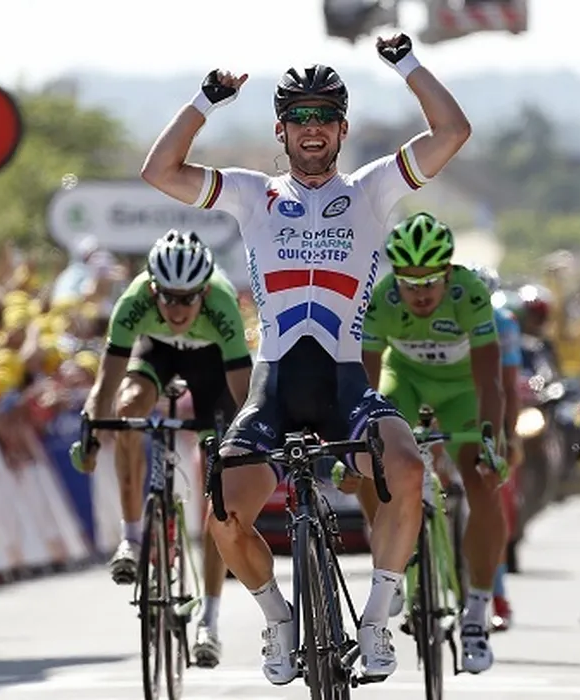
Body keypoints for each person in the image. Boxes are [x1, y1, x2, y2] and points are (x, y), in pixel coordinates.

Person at [139, 33, 470, 684]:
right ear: (281, 129)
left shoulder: (372, 188)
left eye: (324, 117)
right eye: (299, 117)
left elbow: (452, 131)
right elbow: (160, 171)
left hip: (345, 382)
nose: (311, 128)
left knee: (408, 470)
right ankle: (278, 619)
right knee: (224, 512)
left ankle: (375, 620)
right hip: (277, 384)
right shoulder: (251, 193)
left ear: (342, 129)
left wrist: (406, 64)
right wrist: (205, 101)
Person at [72, 230, 252, 668]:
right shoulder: (133, 301)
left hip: (212, 369)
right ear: (153, 289)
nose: (176, 309)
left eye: (187, 299)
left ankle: (209, 619)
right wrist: (91, 432)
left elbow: (245, 395)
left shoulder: (223, 304)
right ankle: (132, 536)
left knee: (219, 489)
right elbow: (105, 384)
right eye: (167, 298)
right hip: (156, 355)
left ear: (204, 292)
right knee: (127, 408)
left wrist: (247, 441)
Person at [353, 215, 507, 673]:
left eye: (430, 282)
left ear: (448, 273)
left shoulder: (470, 294)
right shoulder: (382, 298)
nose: (419, 294)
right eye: (409, 283)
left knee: (482, 484)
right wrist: (354, 440)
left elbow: (490, 378)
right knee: (370, 459)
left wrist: (490, 440)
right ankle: (389, 556)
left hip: (462, 391)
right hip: (406, 383)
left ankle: (477, 612)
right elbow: (365, 380)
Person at [465, 261, 522, 632]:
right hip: (448, 406)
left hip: (488, 409)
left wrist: (510, 436)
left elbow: (509, 385)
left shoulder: (504, 323)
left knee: (492, 500)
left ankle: (498, 594)